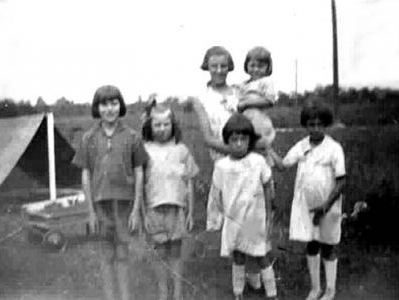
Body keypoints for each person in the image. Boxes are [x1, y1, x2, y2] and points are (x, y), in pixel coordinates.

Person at [72, 85, 148, 300]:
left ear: (120, 105)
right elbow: (85, 174)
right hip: (100, 205)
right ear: (97, 107)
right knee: (106, 255)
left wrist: (135, 210)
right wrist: (90, 212)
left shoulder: (132, 137)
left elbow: (139, 172)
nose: (109, 109)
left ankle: (125, 296)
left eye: (114, 103)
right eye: (104, 104)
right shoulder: (88, 138)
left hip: (124, 204)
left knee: (123, 253)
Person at [268, 100, 346, 300]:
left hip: (328, 206)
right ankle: (315, 288)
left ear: (326, 125)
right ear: (306, 125)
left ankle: (330, 290)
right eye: (311, 124)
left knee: (328, 245)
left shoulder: (334, 148)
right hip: (306, 206)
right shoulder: (301, 145)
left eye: (320, 124)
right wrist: (267, 149)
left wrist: (326, 206)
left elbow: (341, 181)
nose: (316, 128)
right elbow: (283, 165)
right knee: (311, 243)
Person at [206, 113, 278, 300]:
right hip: (234, 218)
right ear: (227, 141)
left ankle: (272, 293)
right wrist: (216, 218)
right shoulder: (222, 166)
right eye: (234, 139)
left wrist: (270, 212)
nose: (239, 144)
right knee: (238, 254)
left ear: (250, 140)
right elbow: (216, 194)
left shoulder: (257, 161)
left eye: (243, 139)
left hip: (254, 218)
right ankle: (238, 292)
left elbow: (268, 184)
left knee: (261, 255)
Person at [142, 103, 199, 300]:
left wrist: (191, 212)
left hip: (177, 209)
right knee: (160, 253)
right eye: (157, 125)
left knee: (175, 252)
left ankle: (177, 292)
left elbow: (189, 182)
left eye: (166, 124)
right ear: (150, 126)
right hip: (154, 209)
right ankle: (162, 291)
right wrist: (142, 213)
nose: (162, 128)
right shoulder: (144, 150)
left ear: (173, 125)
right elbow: (140, 185)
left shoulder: (182, 150)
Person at [189, 45, 240, 160]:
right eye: (214, 66)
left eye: (223, 66)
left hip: (247, 155)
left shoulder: (239, 93)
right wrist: (237, 151)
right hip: (222, 158)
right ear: (207, 67)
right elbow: (208, 139)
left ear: (229, 67)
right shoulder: (200, 98)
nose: (219, 70)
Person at [236, 46, 277, 164]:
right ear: (246, 66)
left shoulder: (266, 82)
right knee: (246, 149)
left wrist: (247, 103)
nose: (256, 69)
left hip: (259, 120)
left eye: (260, 66)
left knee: (260, 147)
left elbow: (269, 101)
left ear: (268, 67)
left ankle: (265, 172)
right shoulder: (243, 84)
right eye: (252, 65)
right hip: (245, 120)